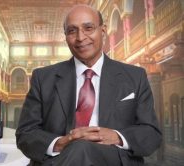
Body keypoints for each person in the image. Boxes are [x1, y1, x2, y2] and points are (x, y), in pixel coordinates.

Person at [16, 4, 162, 166]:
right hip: (59, 158)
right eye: (72, 31)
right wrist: (60, 143)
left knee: (81, 148)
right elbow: (25, 134)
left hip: (114, 158)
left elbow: (151, 134)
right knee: (78, 148)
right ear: (65, 37)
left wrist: (117, 136)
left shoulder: (135, 76)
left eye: (88, 28)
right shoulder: (43, 78)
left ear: (103, 31)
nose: (80, 37)